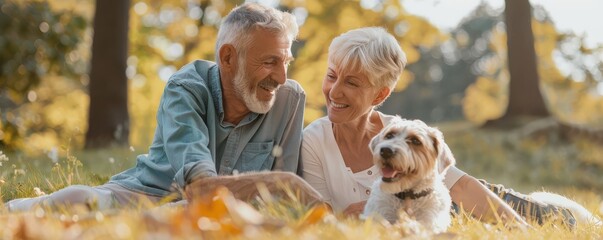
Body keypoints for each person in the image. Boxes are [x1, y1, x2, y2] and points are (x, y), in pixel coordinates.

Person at [7, 3, 321, 211]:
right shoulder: (187, 87)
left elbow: (286, 204)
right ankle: (12, 211)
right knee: (80, 200)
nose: (281, 77)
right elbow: (201, 191)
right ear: (228, 58)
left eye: (285, 62)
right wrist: (281, 183)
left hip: (234, 211)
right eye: (269, 62)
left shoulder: (290, 100)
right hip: (152, 194)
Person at [301, 27, 575, 227]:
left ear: (379, 95)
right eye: (331, 76)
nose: (334, 92)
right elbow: (320, 214)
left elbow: (461, 187)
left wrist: (521, 229)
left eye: (351, 83)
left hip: (454, 202)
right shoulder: (313, 141)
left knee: (558, 219)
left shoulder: (400, 131)